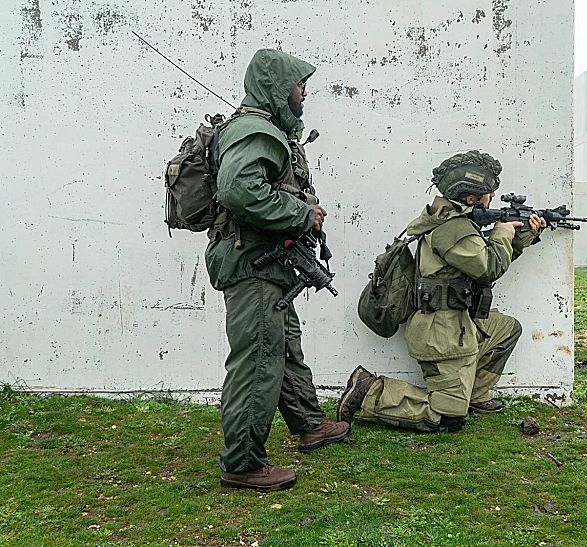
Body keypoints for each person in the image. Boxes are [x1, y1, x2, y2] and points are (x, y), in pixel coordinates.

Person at [205, 49, 349, 492]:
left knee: (283, 346)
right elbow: (239, 190)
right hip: (254, 264)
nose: (304, 91)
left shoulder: (260, 130)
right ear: (277, 88)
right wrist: (303, 214)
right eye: (298, 84)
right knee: (258, 360)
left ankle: (309, 424)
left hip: (267, 263)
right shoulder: (257, 132)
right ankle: (243, 464)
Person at [337, 151, 546, 433]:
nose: (493, 196)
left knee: (506, 329)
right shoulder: (453, 228)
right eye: (487, 192)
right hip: (443, 335)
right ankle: (370, 391)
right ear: (471, 197)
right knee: (447, 419)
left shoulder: (453, 221)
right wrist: (501, 234)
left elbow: (486, 260)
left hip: (458, 324)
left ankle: (471, 396)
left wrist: (521, 236)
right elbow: (486, 267)